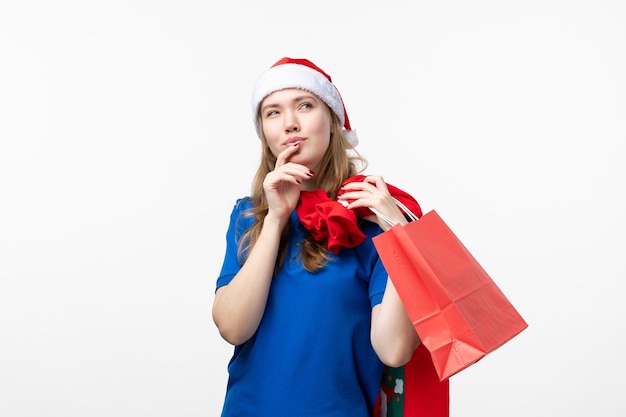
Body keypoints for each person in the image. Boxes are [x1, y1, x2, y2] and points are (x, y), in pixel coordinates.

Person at [212, 57, 421, 416]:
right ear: (265, 132)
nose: (290, 124)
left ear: (333, 120)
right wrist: (276, 220)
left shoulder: (373, 219)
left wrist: (399, 235)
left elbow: (394, 350)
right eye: (273, 113)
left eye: (305, 106)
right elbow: (232, 327)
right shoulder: (249, 216)